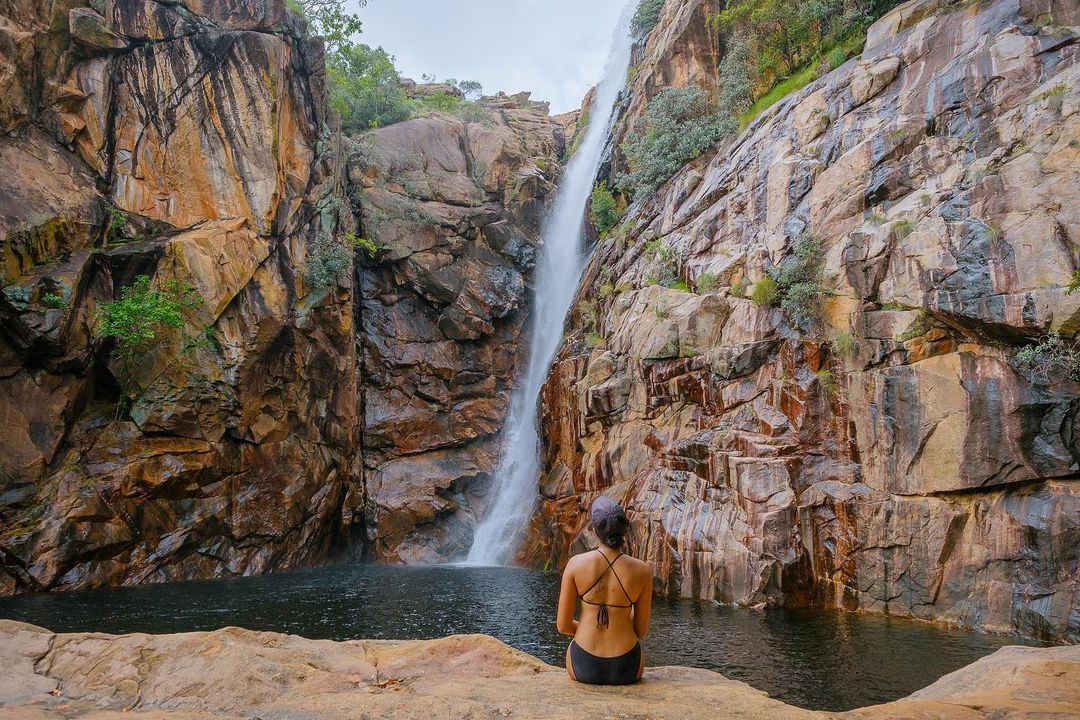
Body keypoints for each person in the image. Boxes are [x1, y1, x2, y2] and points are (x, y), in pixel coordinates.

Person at [556, 496, 653, 685]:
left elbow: (563, 626)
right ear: (625, 528)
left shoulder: (575, 564)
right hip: (626, 667)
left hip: (584, 665)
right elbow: (640, 631)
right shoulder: (642, 570)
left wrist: (586, 628)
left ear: (593, 529)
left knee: (572, 646)